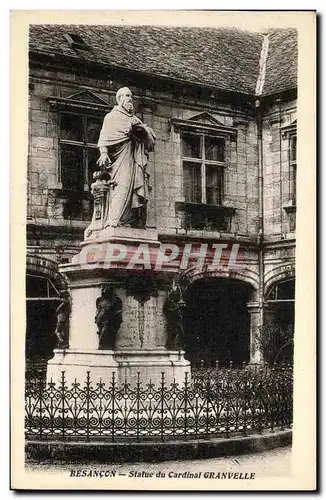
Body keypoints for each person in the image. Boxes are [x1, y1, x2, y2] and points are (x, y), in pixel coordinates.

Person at [97, 87, 156, 228]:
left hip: (135, 160)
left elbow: (150, 142)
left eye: (130, 96)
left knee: (135, 192)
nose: (130, 99)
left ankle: (131, 221)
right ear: (119, 99)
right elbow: (104, 138)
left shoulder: (135, 119)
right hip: (121, 160)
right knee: (121, 187)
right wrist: (104, 152)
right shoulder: (112, 117)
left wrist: (144, 131)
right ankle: (115, 220)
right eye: (126, 96)